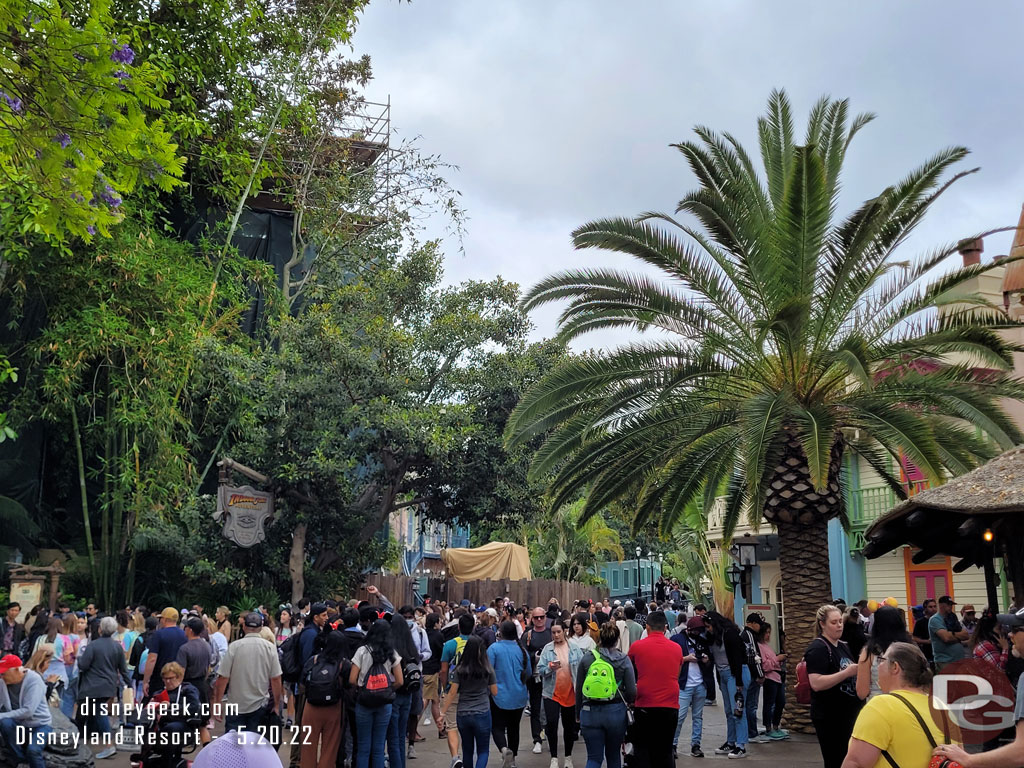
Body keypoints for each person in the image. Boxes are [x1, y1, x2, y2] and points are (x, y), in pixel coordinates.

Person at [934, 608, 1024, 768]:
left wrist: (968, 760)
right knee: (994, 736)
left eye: (1014, 630)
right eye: (1002, 629)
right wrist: (1005, 650)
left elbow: (1020, 751)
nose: (1008, 634)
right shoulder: (985, 646)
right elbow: (998, 670)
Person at [841, 642, 947, 768]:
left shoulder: (882, 706)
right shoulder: (943, 710)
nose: (879, 665)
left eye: (882, 660)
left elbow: (855, 763)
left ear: (895, 667)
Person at [805, 604, 863, 768]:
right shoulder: (818, 648)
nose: (839, 626)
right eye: (834, 622)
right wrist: (846, 673)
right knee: (835, 759)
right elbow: (816, 683)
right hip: (830, 716)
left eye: (840, 622)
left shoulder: (843, 645)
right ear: (822, 624)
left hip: (847, 714)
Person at [574, 621, 635, 768]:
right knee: (614, 756)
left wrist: (578, 714)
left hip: (590, 712)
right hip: (615, 713)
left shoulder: (588, 658)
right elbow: (632, 691)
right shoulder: (623, 659)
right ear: (617, 639)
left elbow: (579, 688)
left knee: (594, 758)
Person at [213, 611, 284, 733]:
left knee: (234, 747)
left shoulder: (234, 647)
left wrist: (217, 703)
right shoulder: (270, 648)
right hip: (259, 704)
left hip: (235, 705)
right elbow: (276, 678)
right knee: (254, 747)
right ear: (260, 627)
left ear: (244, 626)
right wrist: (277, 704)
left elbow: (223, 677)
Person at [77, 615, 132, 760]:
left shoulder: (93, 645)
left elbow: (83, 665)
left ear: (100, 629)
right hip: (109, 685)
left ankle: (107, 744)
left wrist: (78, 659)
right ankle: (87, 740)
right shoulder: (117, 647)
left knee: (97, 711)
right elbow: (123, 669)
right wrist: (129, 685)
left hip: (92, 685)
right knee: (97, 711)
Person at [350, 619, 404, 768]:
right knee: (379, 748)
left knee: (363, 748)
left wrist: (362, 688)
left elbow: (352, 679)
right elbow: (400, 681)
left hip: (364, 702)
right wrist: (388, 690)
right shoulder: (391, 652)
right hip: (384, 704)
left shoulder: (362, 651)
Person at [441, 635, 496, 768]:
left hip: (463, 713)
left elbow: (452, 692)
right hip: (482, 712)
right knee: (483, 750)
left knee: (467, 750)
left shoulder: (459, 670)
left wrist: (442, 713)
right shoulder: (487, 669)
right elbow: (494, 691)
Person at [704, 611, 749, 758]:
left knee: (738, 710)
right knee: (729, 711)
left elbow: (737, 657)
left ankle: (741, 745)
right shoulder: (713, 637)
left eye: (709, 626)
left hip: (734, 674)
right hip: (723, 674)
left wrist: (739, 681)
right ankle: (731, 741)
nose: (707, 629)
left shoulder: (730, 634)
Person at [538, 620, 582, 768]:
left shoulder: (575, 649)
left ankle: (568, 757)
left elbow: (581, 670)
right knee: (551, 724)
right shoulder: (547, 649)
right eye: (554, 632)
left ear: (565, 631)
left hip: (570, 693)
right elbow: (540, 670)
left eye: (559, 632)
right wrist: (550, 667)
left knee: (569, 727)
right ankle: (554, 758)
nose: (556, 635)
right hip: (552, 693)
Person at [300, 632, 347, 768]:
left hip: (311, 708)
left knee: (308, 746)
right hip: (334, 709)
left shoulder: (313, 660)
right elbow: (349, 685)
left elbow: (302, 684)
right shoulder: (343, 664)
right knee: (329, 748)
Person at [488, 620, 529, 767]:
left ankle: (504, 749)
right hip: (519, 695)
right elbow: (528, 672)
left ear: (501, 633)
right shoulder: (522, 650)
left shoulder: (494, 649)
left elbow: (488, 671)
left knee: (497, 727)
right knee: (514, 728)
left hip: (498, 694)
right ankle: (512, 760)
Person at [0, 653, 52, 768]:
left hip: (40, 725)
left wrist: (2, 715)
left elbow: (28, 711)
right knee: (4, 723)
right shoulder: (3, 681)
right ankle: (21, 760)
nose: (1, 676)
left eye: (4, 673)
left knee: (33, 751)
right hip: (19, 724)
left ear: (17, 670)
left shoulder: (34, 680)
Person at [670, 616, 711, 758]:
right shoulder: (677, 640)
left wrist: (705, 660)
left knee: (698, 717)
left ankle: (696, 745)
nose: (698, 634)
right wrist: (685, 658)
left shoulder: (702, 641)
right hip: (684, 684)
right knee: (680, 716)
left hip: (700, 683)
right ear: (689, 629)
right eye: (696, 631)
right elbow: (670, 658)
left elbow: (709, 660)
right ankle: (673, 745)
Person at [856, 605, 912, 700]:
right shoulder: (910, 649)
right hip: (906, 703)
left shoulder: (869, 651)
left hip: (878, 704)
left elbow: (862, 692)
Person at [387, 613, 421, 768]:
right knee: (401, 736)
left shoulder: (390, 648)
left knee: (393, 737)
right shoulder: (410, 646)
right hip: (407, 693)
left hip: (393, 692)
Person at [523, 606, 552, 755]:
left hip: (551, 676)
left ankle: (548, 733)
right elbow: (522, 653)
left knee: (550, 708)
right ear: (532, 619)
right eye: (536, 617)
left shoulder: (551, 633)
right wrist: (534, 656)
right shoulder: (527, 635)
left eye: (542, 617)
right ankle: (537, 739)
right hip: (534, 677)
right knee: (535, 708)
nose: (539, 620)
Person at [143, 607, 187, 697]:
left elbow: (152, 659)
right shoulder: (184, 635)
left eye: (160, 618)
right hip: (178, 677)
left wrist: (146, 681)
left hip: (160, 678)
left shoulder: (158, 635)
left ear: (164, 619)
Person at [756, 622, 787, 740]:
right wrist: (777, 659)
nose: (769, 635)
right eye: (767, 633)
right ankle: (769, 727)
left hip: (778, 677)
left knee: (781, 701)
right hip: (770, 678)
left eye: (769, 633)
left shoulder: (767, 646)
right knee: (769, 703)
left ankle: (775, 725)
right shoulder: (760, 647)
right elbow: (764, 665)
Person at [739, 613, 766, 744]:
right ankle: (752, 732)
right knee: (751, 705)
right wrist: (760, 674)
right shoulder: (749, 635)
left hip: (748, 673)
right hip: (752, 675)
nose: (760, 627)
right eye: (759, 624)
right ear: (753, 623)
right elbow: (755, 657)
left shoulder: (744, 635)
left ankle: (752, 729)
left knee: (750, 704)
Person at [422, 612, 445, 739]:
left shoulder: (423, 633)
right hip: (433, 670)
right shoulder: (438, 635)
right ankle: (412, 728)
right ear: (436, 623)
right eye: (439, 621)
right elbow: (441, 653)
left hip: (422, 669)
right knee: (426, 700)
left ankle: (441, 728)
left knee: (435, 699)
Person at [929, 596, 968, 671]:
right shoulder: (935, 619)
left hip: (959, 660)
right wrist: (957, 636)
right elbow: (946, 638)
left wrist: (951, 634)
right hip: (945, 661)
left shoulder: (952, 617)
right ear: (941, 605)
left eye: (951, 605)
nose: (951, 607)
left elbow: (966, 635)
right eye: (948, 604)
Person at [912, 598, 937, 666]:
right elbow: (914, 638)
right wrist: (927, 641)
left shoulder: (941, 620)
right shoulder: (920, 622)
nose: (933, 609)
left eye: (935, 606)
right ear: (925, 608)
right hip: (927, 654)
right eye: (930, 607)